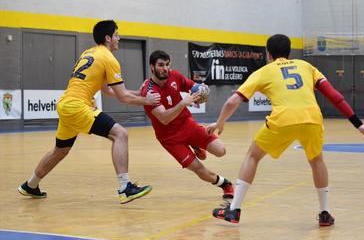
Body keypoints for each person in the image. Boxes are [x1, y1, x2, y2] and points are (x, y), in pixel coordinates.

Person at [208, 34, 364, 226]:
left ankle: (234, 210)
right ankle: (325, 213)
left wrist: (220, 123)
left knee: (253, 156)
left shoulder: (263, 71)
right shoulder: (306, 66)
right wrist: (358, 123)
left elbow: (232, 101)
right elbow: (334, 95)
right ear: (289, 52)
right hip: (312, 118)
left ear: (268, 54)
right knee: (317, 160)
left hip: (282, 120)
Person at [18, 20, 160, 204]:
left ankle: (30, 185)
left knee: (59, 151)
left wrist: (139, 94)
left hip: (66, 105)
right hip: (77, 106)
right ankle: (125, 188)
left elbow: (109, 90)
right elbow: (123, 97)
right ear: (108, 38)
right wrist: (146, 100)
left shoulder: (90, 53)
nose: (119, 38)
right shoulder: (109, 59)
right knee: (120, 134)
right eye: (117, 35)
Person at [140, 50, 234, 200]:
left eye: (167, 64)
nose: (165, 68)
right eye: (160, 65)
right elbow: (164, 118)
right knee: (199, 170)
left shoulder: (174, 76)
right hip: (170, 139)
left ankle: (197, 145)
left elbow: (194, 87)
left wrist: (202, 91)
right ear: (152, 67)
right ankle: (225, 184)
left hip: (187, 125)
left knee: (221, 150)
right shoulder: (149, 92)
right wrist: (183, 103)